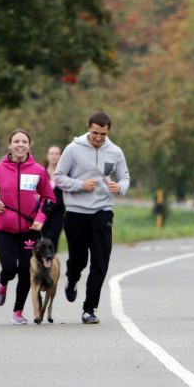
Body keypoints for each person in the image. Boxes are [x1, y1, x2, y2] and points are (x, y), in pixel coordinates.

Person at [54, 111, 130, 324]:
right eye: (95, 133)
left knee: (100, 261)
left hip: (102, 211)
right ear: (88, 127)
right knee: (79, 260)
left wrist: (120, 186)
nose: (98, 138)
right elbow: (58, 177)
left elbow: (124, 176)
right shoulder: (73, 149)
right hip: (76, 212)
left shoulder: (115, 152)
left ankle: (89, 309)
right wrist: (80, 185)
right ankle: (72, 279)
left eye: (103, 134)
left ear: (108, 132)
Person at [0, 128, 55, 325]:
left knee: (24, 270)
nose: (20, 145)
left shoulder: (38, 170)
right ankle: (2, 282)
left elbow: (49, 198)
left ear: (29, 145)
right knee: (10, 268)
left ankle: (18, 312)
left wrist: (40, 218)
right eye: (16, 141)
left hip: (30, 230)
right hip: (4, 228)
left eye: (24, 141)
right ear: (10, 145)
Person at [40, 144, 65, 252]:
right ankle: (42, 262)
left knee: (54, 237)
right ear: (47, 156)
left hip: (59, 211)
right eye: (51, 153)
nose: (54, 156)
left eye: (57, 154)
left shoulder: (64, 173)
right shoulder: (41, 172)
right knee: (43, 238)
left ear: (60, 156)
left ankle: (52, 262)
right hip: (43, 210)